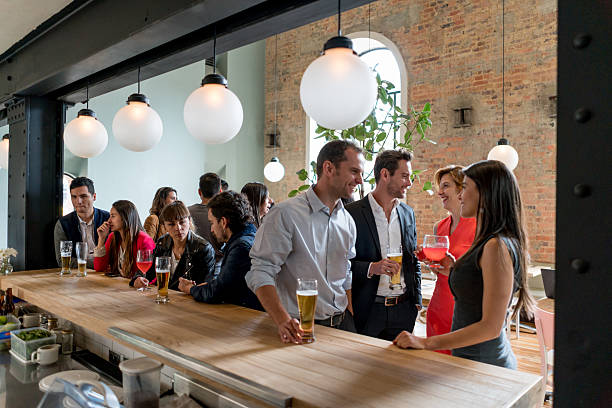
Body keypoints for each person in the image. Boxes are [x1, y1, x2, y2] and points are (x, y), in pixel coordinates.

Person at [394, 160, 535, 369]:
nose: (460, 195)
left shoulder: (496, 245)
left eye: (466, 187)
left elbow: (491, 327)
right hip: (469, 360)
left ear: (485, 193)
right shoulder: (492, 240)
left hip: (483, 364)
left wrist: (425, 342)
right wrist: (455, 269)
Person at [246, 140, 364, 343]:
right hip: (298, 329)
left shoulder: (348, 221)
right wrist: (282, 320)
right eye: (354, 171)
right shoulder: (285, 214)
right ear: (328, 168)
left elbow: (345, 274)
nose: (360, 180)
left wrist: (350, 316)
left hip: (343, 326)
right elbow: (260, 271)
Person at [346, 150, 422, 341]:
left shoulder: (408, 213)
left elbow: (413, 260)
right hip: (368, 309)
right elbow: (340, 264)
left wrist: (417, 301)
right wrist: (373, 267)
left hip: (404, 310)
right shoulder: (351, 213)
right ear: (385, 175)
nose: (409, 183)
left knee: (399, 370)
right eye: (404, 176)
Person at [418, 165, 476, 354]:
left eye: (446, 186)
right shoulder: (439, 227)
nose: (440, 192)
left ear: (461, 188)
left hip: (464, 306)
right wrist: (427, 259)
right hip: (438, 304)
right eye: (439, 187)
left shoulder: (479, 226)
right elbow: (439, 263)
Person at [178, 192, 261, 310]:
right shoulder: (247, 237)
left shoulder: (240, 247)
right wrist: (207, 286)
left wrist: (190, 289)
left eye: (212, 223)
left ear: (223, 222)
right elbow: (229, 284)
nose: (211, 229)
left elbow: (218, 292)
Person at [133, 201, 215, 290]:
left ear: (189, 220)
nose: (178, 228)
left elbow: (206, 287)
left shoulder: (203, 248)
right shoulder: (163, 242)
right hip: (164, 297)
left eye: (182, 222)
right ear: (164, 226)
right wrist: (138, 278)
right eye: (171, 224)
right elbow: (148, 272)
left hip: (189, 300)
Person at [54, 177, 109, 268]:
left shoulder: (107, 219)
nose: (78, 201)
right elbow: (62, 261)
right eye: (74, 197)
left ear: (94, 197)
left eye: (83, 196)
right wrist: (97, 263)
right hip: (77, 276)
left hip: (106, 274)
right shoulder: (63, 224)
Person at [94, 200, 155, 278]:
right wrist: (101, 239)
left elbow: (148, 274)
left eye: (113, 216)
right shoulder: (112, 237)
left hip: (137, 288)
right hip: (120, 286)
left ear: (125, 217)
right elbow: (99, 268)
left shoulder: (144, 240)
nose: (109, 221)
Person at [188, 173, 223, 265]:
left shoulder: (187, 213)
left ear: (199, 192)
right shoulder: (224, 214)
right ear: (220, 191)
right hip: (217, 264)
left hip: (192, 264)